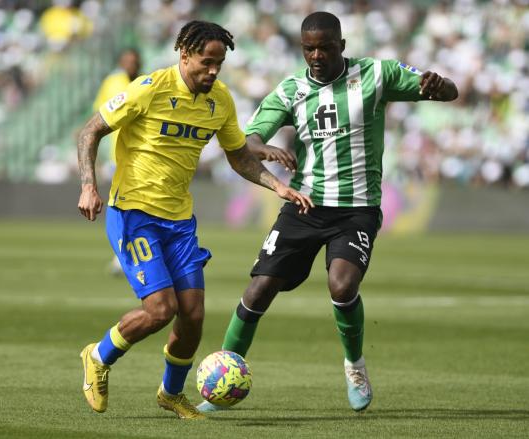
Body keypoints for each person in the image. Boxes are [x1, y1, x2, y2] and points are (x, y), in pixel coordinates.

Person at [197, 11, 458, 413]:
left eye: (325, 47)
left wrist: (438, 86)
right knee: (258, 289)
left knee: (342, 285)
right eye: (309, 48)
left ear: (342, 46)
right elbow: (246, 140)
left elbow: (447, 92)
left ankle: (355, 366)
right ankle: (223, 374)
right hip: (304, 204)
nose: (317, 55)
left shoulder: (377, 74)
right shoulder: (291, 90)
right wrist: (262, 147)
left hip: (357, 208)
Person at [76, 20, 312, 420]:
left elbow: (238, 155)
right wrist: (88, 185)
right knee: (159, 310)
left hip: (179, 220)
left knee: (194, 315)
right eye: (206, 62)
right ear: (184, 55)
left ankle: (170, 394)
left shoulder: (220, 100)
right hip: (134, 212)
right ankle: (98, 355)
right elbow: (90, 131)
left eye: (219, 63)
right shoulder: (148, 89)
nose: (213, 71)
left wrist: (277, 187)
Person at [91, 48, 142, 275]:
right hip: (116, 154)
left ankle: (126, 252)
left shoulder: (145, 83)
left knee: (134, 205)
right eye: (127, 61)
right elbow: (99, 116)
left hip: (139, 154)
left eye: (134, 61)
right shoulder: (112, 82)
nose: (130, 65)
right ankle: (122, 253)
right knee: (123, 205)